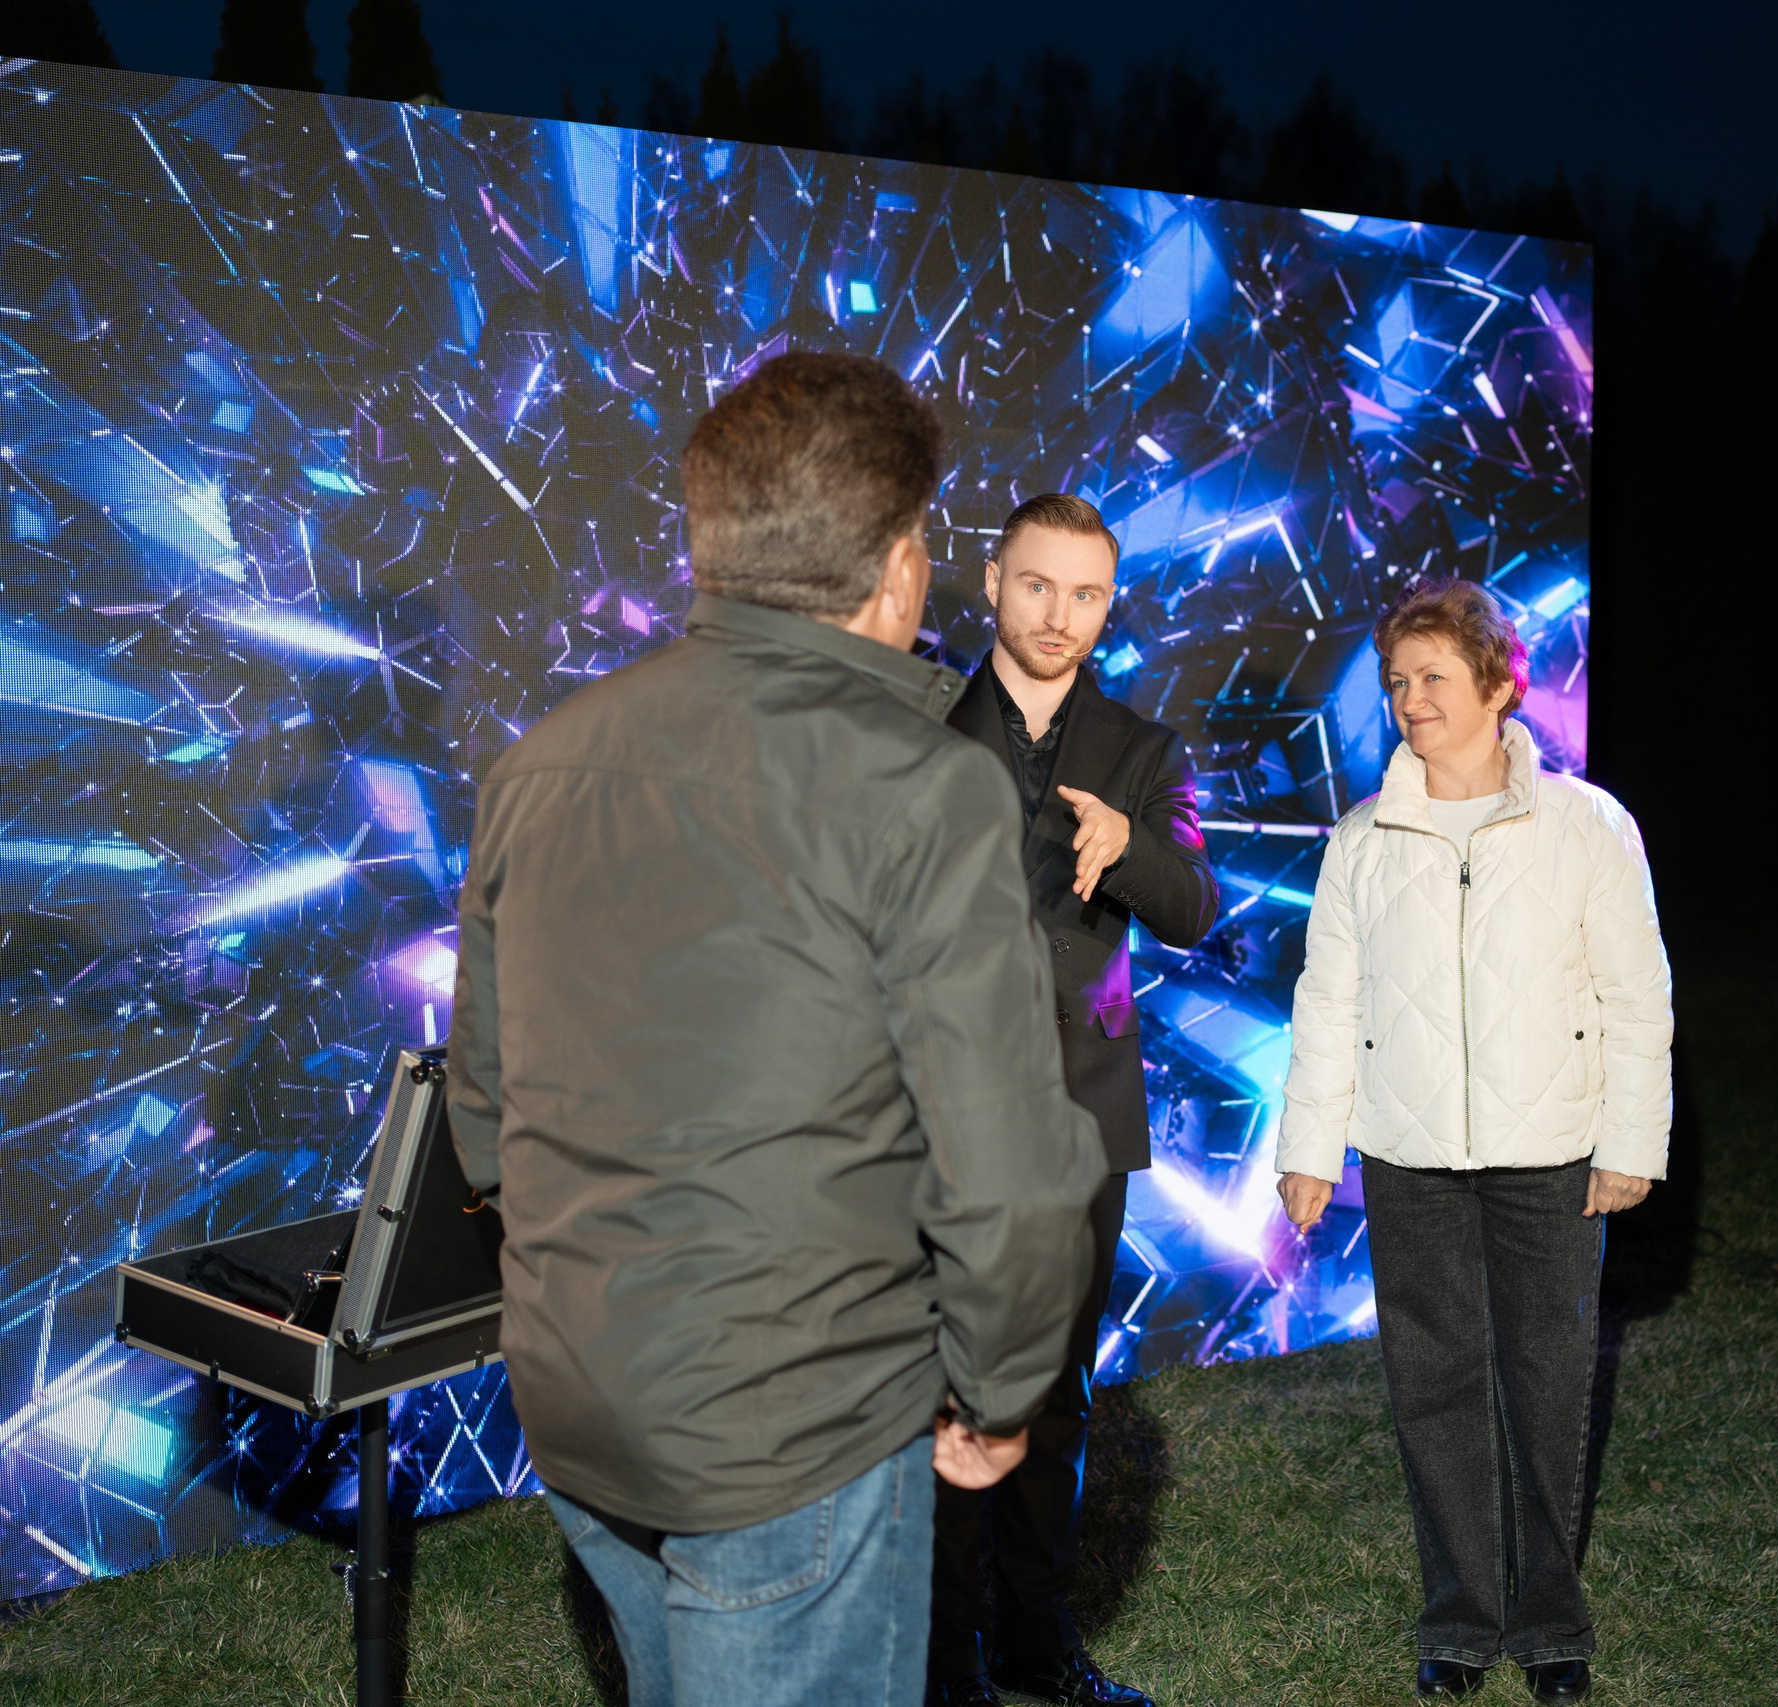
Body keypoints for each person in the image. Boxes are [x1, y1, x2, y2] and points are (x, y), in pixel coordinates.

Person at [446, 353, 1107, 1707]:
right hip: (796, 1428)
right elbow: (1002, 1161)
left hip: (579, 1404)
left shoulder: (537, 764)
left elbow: (484, 1115)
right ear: (900, 567)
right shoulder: (926, 786)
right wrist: (999, 1394)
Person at [1274, 577, 1673, 1705]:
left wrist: (1629, 1141)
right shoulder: (1362, 839)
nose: (1411, 698)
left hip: (1552, 1154)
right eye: (1397, 680)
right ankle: (1458, 1620)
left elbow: (1636, 994)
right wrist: (1309, 1150)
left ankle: (1550, 1625)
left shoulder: (1587, 825)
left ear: (1499, 685)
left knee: (1547, 1384)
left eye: (1434, 676)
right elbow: (1328, 1003)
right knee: (1434, 1386)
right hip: (1409, 1158)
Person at [929, 494, 1220, 1707]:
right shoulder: (917, 723)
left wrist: (1128, 850)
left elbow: (1193, 905)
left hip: (1081, 1120)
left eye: (1088, 594)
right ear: (994, 581)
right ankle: (943, 1665)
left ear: (1110, 604)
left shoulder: (1142, 748)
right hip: (935, 1117)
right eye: (1039, 585)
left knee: (1054, 1393)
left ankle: (1038, 1653)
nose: (1061, 615)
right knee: (942, 1396)